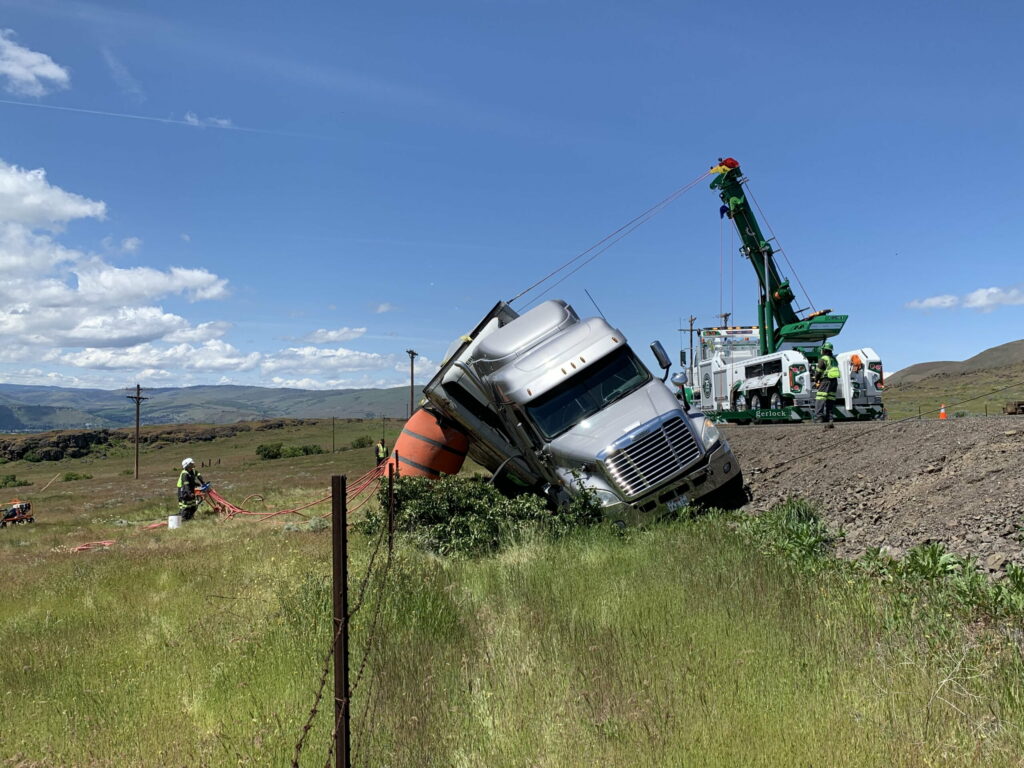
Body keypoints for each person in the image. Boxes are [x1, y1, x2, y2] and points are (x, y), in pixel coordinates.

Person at [813, 342, 840, 427]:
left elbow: (819, 371)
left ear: (824, 350)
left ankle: (818, 417)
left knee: (820, 398)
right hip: (834, 381)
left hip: (826, 381)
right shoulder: (834, 359)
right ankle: (830, 417)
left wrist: (815, 380)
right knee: (830, 399)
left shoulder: (824, 358)